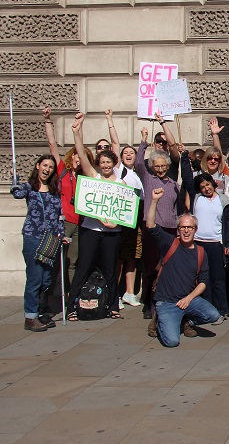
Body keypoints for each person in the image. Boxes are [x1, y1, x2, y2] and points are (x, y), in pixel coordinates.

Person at [65, 113, 127, 321]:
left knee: (110, 270)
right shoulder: (93, 177)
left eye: (109, 162)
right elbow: (82, 155)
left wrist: (113, 222)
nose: (106, 165)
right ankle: (72, 305)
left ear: (114, 163)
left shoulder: (121, 184)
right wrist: (77, 132)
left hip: (112, 232)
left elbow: (125, 210)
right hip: (91, 230)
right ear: (99, 164)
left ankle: (112, 305)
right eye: (102, 162)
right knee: (84, 266)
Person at [145, 188, 220, 347]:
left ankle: (187, 319)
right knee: (172, 341)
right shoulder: (169, 242)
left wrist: (189, 298)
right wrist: (154, 201)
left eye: (190, 227)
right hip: (167, 302)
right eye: (183, 227)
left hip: (188, 301)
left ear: (195, 230)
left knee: (213, 315)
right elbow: (150, 225)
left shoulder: (200, 252)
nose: (186, 230)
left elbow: (203, 281)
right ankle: (160, 319)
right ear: (178, 230)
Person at [180, 146, 229, 323]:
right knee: (204, 280)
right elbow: (188, 179)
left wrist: (228, 245)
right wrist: (184, 157)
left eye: (208, 185)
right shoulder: (196, 197)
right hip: (198, 244)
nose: (206, 188)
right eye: (202, 186)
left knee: (218, 279)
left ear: (214, 185)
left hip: (216, 245)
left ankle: (221, 311)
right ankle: (206, 310)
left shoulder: (224, 201)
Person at [42, 107, 91, 311]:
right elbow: (52, 145)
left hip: (80, 222)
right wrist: (47, 120)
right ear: (72, 157)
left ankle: (71, 296)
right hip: (64, 222)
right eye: (77, 156)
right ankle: (50, 297)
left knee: (74, 261)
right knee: (56, 260)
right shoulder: (62, 171)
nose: (79, 159)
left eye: (84, 156)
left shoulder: (85, 177)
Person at [12, 154, 65, 332]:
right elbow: (18, 194)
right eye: (44, 165)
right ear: (37, 166)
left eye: (50, 167)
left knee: (47, 279)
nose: (47, 169)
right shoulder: (29, 187)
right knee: (34, 278)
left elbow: (59, 215)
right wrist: (15, 181)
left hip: (51, 238)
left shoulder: (54, 190)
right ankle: (30, 317)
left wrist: (61, 233)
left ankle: (42, 312)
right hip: (33, 237)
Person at [136, 119, 182, 317]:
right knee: (151, 267)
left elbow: (175, 207)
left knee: (167, 267)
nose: (161, 169)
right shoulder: (148, 178)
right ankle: (149, 302)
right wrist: (144, 142)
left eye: (164, 166)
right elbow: (138, 162)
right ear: (152, 166)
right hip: (153, 230)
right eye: (157, 165)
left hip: (171, 230)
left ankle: (164, 301)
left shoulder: (173, 183)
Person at [105, 109, 145, 308]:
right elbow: (114, 145)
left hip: (136, 219)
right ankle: (116, 293)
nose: (129, 154)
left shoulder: (138, 174)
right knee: (120, 257)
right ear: (120, 158)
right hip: (121, 218)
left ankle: (129, 293)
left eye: (132, 152)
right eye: (125, 153)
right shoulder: (119, 169)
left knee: (132, 256)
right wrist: (110, 121)